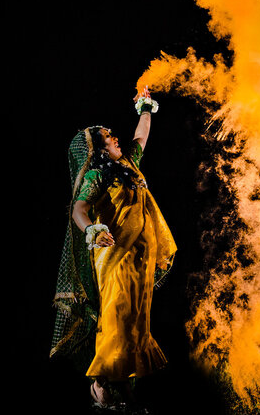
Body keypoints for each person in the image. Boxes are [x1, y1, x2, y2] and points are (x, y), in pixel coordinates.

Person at [50, 87, 177, 410]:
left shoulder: (130, 164)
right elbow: (78, 209)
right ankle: (103, 387)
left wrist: (145, 107)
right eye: (109, 136)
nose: (116, 137)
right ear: (99, 148)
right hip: (115, 257)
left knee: (135, 323)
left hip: (140, 259)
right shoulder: (97, 175)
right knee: (117, 321)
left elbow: (141, 137)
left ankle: (119, 389)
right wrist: (91, 229)